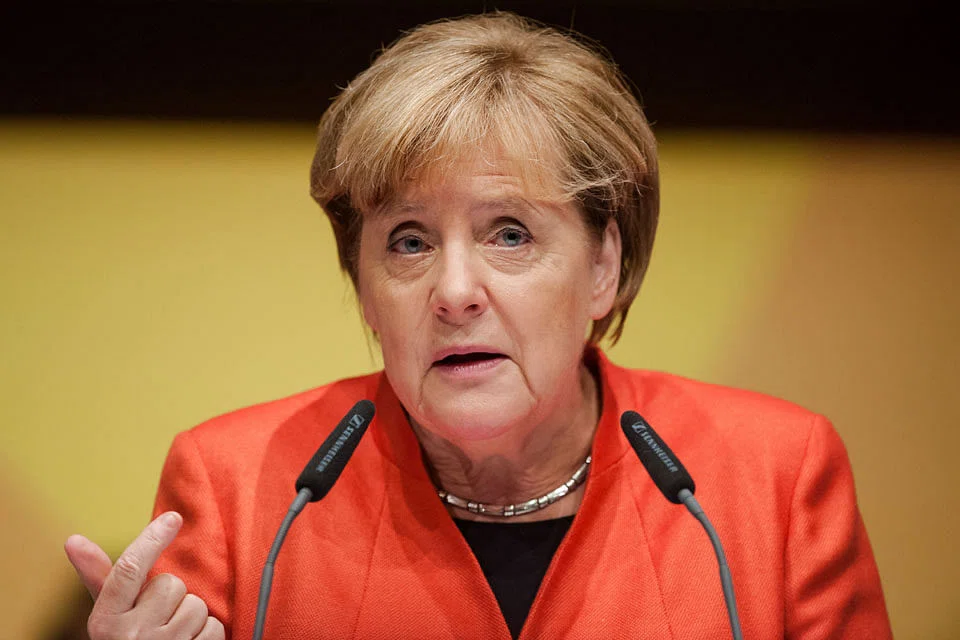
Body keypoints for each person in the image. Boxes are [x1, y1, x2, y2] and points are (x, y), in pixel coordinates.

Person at [64, 12, 892, 639]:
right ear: (363, 288)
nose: (455, 292)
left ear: (603, 265)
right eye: (409, 241)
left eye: (510, 234)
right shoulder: (243, 491)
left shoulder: (773, 479)